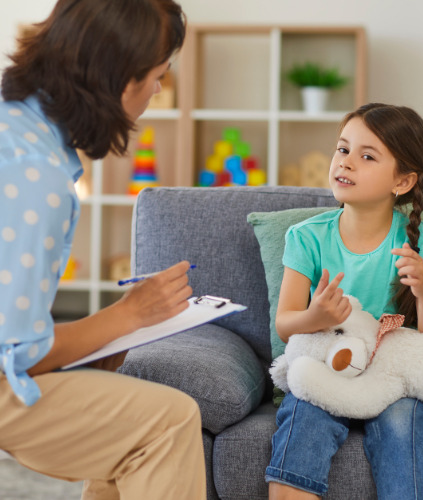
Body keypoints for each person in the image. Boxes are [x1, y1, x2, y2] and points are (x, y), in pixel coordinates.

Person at [0, 1, 207, 499]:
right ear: (121, 79)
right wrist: (129, 316)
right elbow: (19, 353)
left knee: (133, 427)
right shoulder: (38, 177)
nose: (158, 90)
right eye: (158, 76)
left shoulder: (16, 130)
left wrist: (97, 342)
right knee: (169, 422)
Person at [266, 103, 423, 500]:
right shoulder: (306, 237)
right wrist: (315, 316)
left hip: (394, 380)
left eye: (366, 156)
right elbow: (285, 323)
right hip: (326, 368)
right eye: (342, 149)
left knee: (404, 421)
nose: (345, 163)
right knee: (302, 416)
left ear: (402, 181)